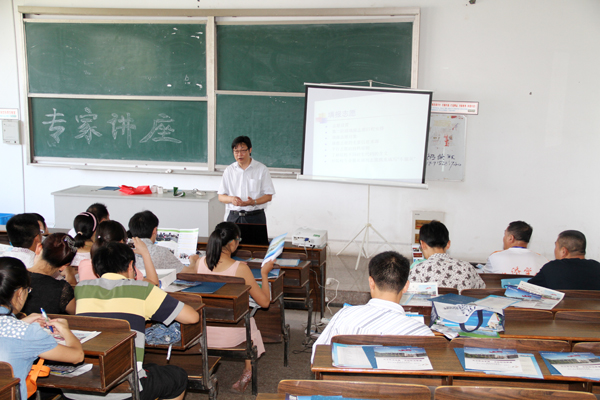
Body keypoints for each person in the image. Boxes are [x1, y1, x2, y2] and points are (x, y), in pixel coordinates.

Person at [71, 242, 199, 400]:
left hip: (79, 386)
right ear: (131, 266)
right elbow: (192, 317)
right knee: (177, 377)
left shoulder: (81, 288)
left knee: (151, 367)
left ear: (96, 270)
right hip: (126, 388)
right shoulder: (142, 289)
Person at [194, 222, 274, 392]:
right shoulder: (241, 269)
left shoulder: (200, 263)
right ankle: (247, 371)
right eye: (239, 240)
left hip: (202, 334)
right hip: (230, 336)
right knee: (249, 319)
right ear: (232, 243)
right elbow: (265, 303)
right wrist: (265, 274)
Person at [312, 251, 433, 362]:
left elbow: (317, 358)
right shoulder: (422, 334)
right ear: (406, 286)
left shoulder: (343, 317)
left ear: (371, 282)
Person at [0, 257, 84, 400]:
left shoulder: (21, 329)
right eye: (28, 290)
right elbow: (77, 356)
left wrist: (22, 322)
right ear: (19, 293)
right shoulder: (28, 333)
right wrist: (65, 330)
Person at [408, 221, 485, 291]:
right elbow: (482, 292)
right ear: (448, 244)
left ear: (423, 244)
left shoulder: (417, 270)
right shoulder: (467, 268)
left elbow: (409, 294)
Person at [78, 220, 159, 286]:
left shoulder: (84, 265)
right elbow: (154, 287)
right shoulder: (126, 268)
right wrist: (145, 253)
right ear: (120, 242)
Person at [218, 136, 275, 224]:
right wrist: (231, 199)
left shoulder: (261, 169)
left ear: (250, 150)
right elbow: (221, 196)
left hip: (255, 217)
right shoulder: (229, 170)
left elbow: (268, 196)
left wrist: (253, 202)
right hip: (234, 217)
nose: (239, 154)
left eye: (243, 150)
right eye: (236, 151)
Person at [23, 233, 78, 315]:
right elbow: (76, 314)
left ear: (38, 248)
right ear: (64, 266)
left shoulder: (14, 274)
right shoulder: (62, 290)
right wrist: (70, 275)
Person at [528, 230, 600, 290]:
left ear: (564, 251)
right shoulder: (597, 267)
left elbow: (528, 289)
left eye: (556, 246)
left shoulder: (552, 267)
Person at [483, 221, 548, 275]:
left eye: (505, 235)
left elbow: (485, 279)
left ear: (511, 238)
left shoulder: (495, 257)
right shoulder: (544, 261)